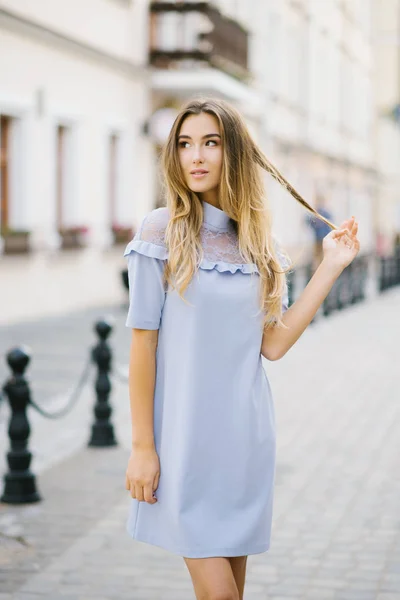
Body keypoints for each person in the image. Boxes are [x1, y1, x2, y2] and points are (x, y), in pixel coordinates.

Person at [123, 98, 359, 599]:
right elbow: (142, 345)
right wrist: (143, 447)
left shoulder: (259, 245)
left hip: (244, 444)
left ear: (234, 152)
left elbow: (272, 344)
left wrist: (331, 265)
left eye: (211, 142)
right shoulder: (160, 233)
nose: (196, 156)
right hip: (183, 444)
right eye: (185, 144)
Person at [306, 194, 334, 272]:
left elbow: (329, 225)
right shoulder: (315, 213)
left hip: (324, 238)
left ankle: (321, 271)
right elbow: (308, 221)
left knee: (322, 257)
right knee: (317, 257)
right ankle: (317, 271)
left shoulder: (325, 213)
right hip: (318, 239)